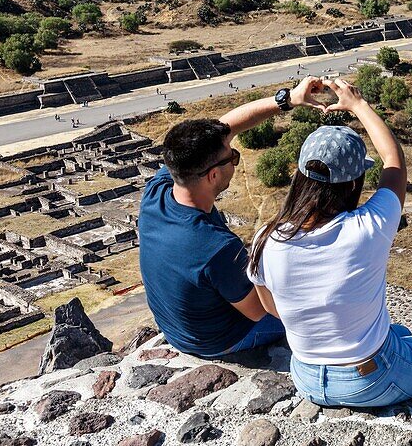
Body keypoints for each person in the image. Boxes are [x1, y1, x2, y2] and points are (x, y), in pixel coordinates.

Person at [247, 78, 412, 407]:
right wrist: (358, 104)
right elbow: (393, 160)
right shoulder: (367, 227)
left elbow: (274, 309)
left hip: (306, 376)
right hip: (371, 380)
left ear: (299, 175)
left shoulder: (266, 239)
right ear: (355, 182)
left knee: (397, 333)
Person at [138, 76, 329, 358]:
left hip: (176, 328)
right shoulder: (216, 247)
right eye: (233, 157)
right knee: (320, 309)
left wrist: (287, 99)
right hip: (217, 340)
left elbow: (225, 127)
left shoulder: (158, 192)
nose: (235, 159)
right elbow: (259, 311)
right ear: (213, 174)